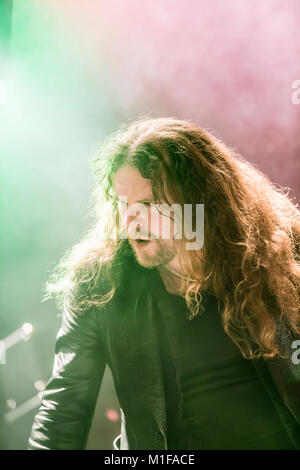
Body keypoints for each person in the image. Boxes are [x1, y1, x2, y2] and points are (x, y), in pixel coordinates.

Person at [28, 116, 300, 450]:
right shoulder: (100, 283)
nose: (130, 220)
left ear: (197, 202)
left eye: (148, 204)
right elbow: (63, 410)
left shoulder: (272, 254)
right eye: (123, 204)